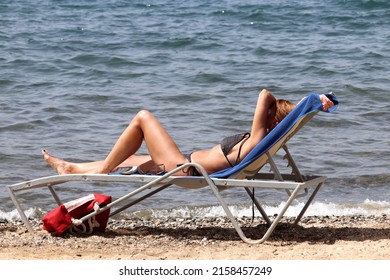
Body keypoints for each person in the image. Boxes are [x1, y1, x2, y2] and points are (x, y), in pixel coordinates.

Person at [42, 89, 334, 176]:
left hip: (184, 170)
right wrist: (309, 104)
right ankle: (73, 168)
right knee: (131, 161)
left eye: (269, 114)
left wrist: (309, 101)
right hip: (183, 163)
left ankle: (101, 172)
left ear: (271, 118)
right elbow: (268, 101)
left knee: (143, 117)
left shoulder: (258, 138)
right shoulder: (259, 141)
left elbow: (264, 94)